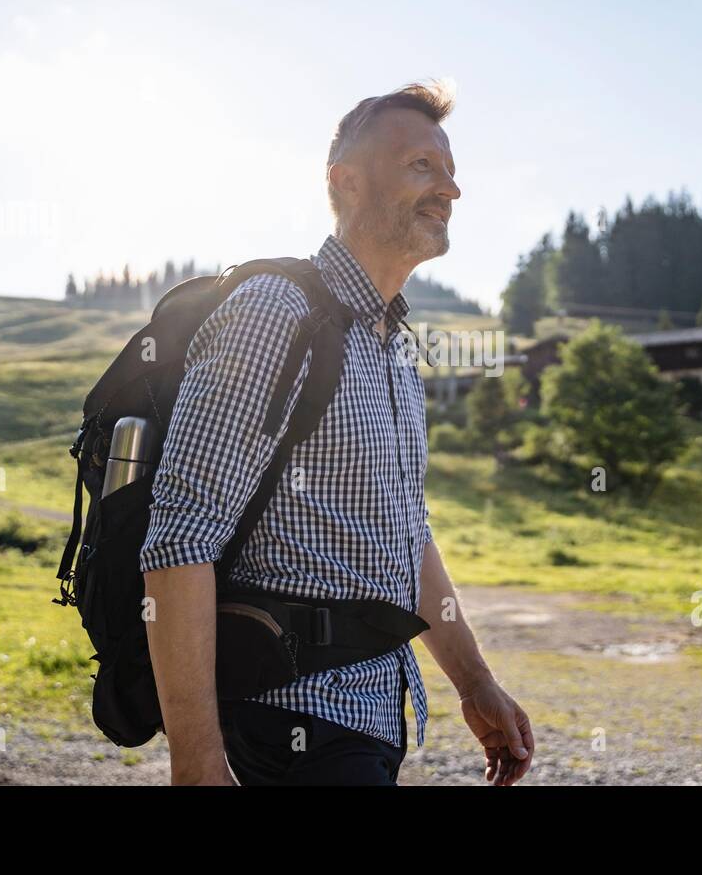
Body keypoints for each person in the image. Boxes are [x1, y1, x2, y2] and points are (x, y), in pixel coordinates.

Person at [139, 81, 534, 786]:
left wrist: (475, 683)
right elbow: (181, 534)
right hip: (288, 717)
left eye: (449, 171)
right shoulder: (275, 313)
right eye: (421, 166)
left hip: (371, 722)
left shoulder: (394, 350)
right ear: (345, 183)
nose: (451, 190)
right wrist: (196, 764)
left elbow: (410, 536)